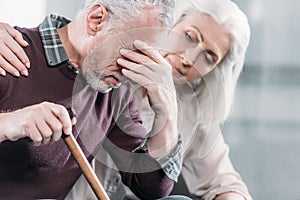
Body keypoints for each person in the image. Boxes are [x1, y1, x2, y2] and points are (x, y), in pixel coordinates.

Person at [0, 0, 252, 200]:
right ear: (96, 20)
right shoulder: (11, 51)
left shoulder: (114, 89)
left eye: (209, 57)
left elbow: (153, 189)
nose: (188, 58)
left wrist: (167, 112)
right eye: (133, 48)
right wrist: (10, 122)